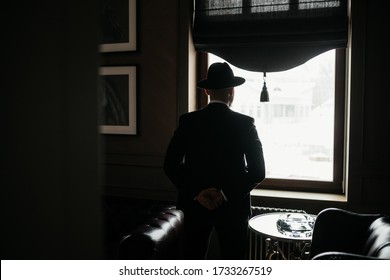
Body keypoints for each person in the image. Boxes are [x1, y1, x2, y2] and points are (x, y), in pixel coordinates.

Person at [164, 62, 266, 259]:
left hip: (195, 207)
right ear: (231, 91)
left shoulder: (188, 121)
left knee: (192, 261)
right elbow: (258, 171)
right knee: (233, 263)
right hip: (233, 208)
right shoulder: (245, 124)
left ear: (208, 91)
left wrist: (197, 192)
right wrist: (224, 194)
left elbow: (170, 165)